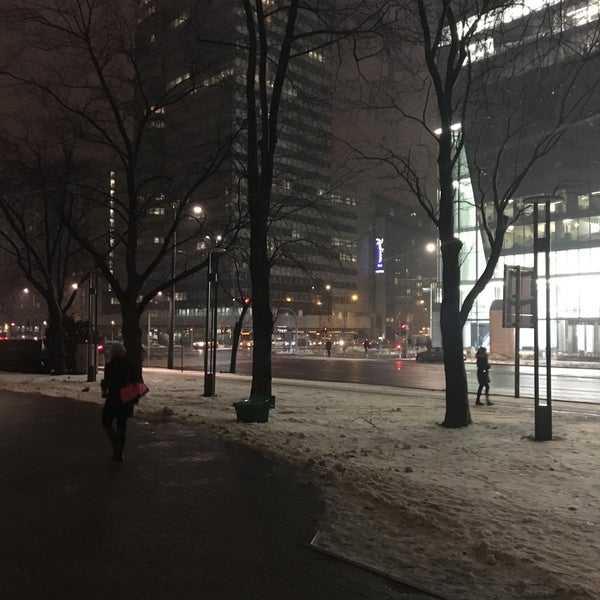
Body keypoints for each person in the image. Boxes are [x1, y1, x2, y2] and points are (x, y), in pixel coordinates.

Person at [101, 343, 137, 462]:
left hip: (114, 398)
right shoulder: (129, 365)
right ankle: (120, 451)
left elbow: (107, 381)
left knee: (106, 422)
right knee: (122, 426)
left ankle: (116, 445)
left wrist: (104, 388)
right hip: (126, 399)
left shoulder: (110, 365)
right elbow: (135, 380)